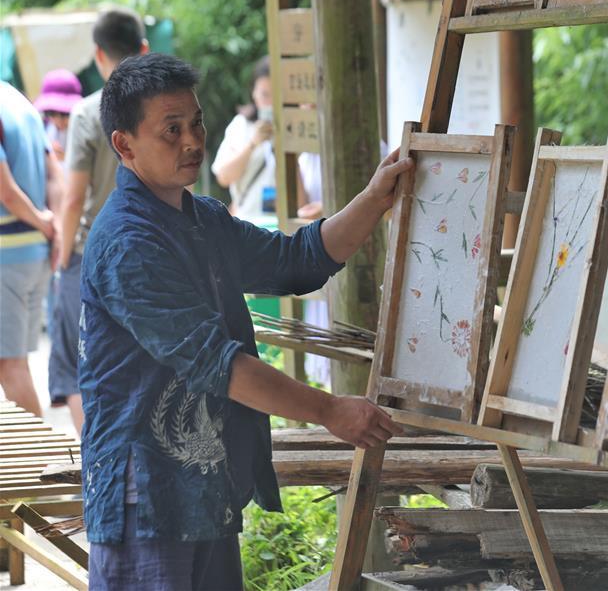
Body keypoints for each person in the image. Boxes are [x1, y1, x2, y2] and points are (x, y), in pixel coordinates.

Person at [81, 53, 409, 590]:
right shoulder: (127, 245)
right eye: (171, 130)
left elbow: (297, 260)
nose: (192, 141)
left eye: (196, 122)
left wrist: (374, 200)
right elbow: (220, 365)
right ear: (124, 145)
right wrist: (328, 409)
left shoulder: (203, 219)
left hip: (204, 482)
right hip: (144, 494)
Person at [50, 7, 148, 434]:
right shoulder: (166, 106)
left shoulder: (89, 113)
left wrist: (62, 258)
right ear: (143, 49)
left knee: (78, 367)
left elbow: (73, 198)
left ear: (97, 55)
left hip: (92, 252)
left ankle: (97, 465)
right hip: (150, 249)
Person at [0, 82, 62, 417]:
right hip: (34, 253)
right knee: (15, 363)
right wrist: (54, 231)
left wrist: (41, 221)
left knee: (10, 367)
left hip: (7, 256)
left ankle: (38, 463)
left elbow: (5, 190)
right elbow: (55, 175)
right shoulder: (19, 100)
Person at [211, 55, 283, 220]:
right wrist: (252, 144)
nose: (270, 103)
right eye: (265, 95)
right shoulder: (241, 126)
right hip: (247, 223)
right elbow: (223, 176)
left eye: (277, 95)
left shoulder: (295, 128)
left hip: (285, 226)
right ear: (254, 94)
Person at [33, 69, 83, 163]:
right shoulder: (46, 130)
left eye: (65, 114)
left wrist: (67, 158)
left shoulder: (85, 129)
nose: (59, 121)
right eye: (51, 113)